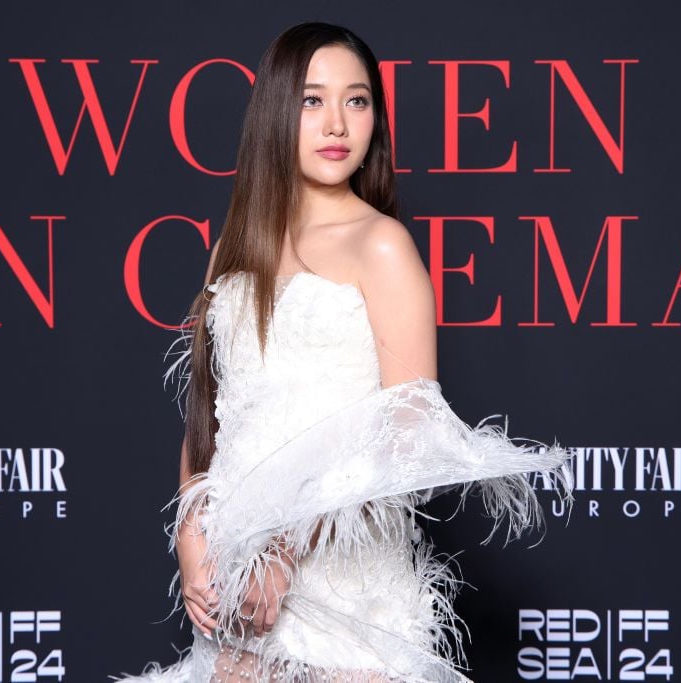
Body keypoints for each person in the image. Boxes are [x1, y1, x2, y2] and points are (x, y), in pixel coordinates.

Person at [112, 21, 573, 683]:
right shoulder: (236, 247)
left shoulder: (380, 245)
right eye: (312, 100)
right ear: (275, 111)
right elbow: (210, 416)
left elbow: (407, 429)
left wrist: (285, 550)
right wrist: (192, 541)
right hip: (237, 594)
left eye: (356, 101)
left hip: (343, 591)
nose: (336, 123)